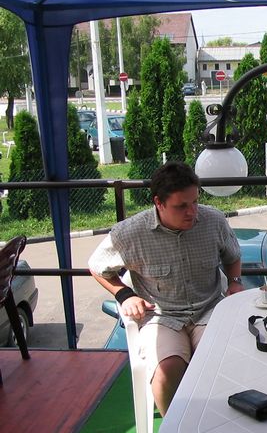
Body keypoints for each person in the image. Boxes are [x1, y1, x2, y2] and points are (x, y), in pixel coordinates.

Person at [88, 161, 243, 416]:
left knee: (219, 358)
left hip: (209, 309)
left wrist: (235, 282)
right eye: (181, 206)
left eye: (195, 201)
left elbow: (233, 256)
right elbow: (96, 266)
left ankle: (217, 422)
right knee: (166, 369)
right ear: (158, 203)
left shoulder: (213, 221)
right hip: (161, 316)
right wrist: (125, 295)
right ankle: (175, 428)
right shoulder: (130, 233)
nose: (192, 212)